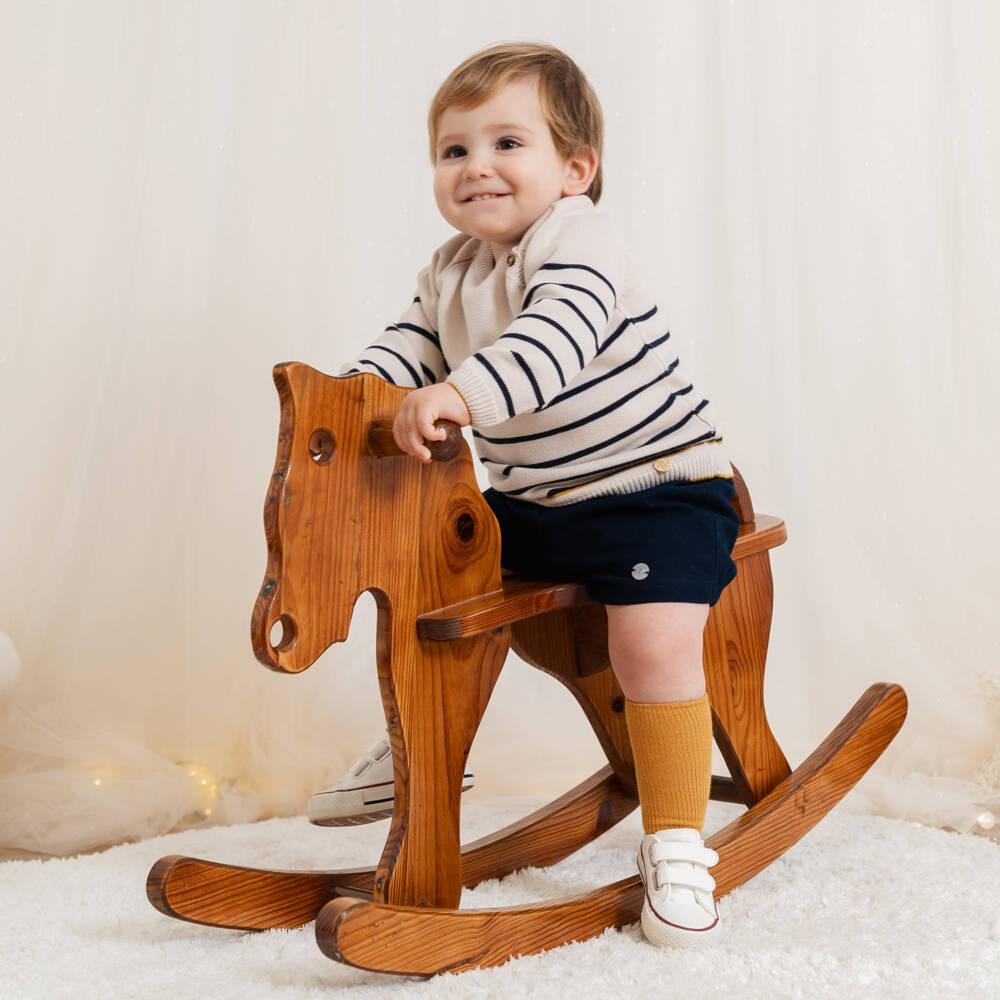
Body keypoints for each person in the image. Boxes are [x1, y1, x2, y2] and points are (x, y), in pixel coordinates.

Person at [308, 41, 739, 949]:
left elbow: (553, 341)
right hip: (539, 505)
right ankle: (420, 750)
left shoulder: (579, 241)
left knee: (653, 645)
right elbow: (409, 348)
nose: (478, 169)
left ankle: (677, 842)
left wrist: (459, 399)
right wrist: (349, 400)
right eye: (454, 150)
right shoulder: (450, 266)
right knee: (432, 569)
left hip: (654, 489)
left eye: (508, 143)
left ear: (575, 170)